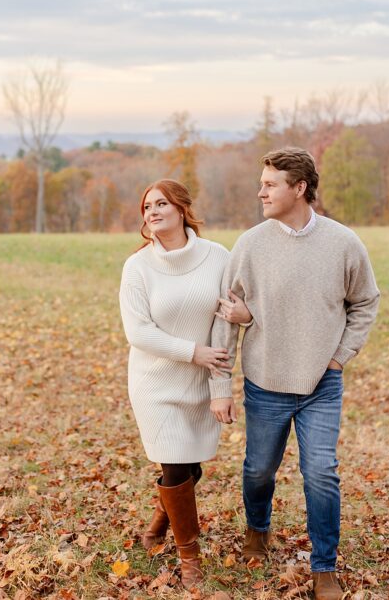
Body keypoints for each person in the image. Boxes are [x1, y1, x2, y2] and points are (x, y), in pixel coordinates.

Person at [209, 147, 379, 600]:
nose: (260, 191)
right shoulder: (250, 244)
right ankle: (257, 528)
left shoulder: (344, 243)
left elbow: (365, 302)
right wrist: (221, 386)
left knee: (321, 472)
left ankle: (324, 567)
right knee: (259, 470)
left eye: (270, 184)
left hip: (322, 384)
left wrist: (340, 356)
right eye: (262, 183)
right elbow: (226, 317)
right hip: (266, 382)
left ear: (299, 188)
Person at [118, 179, 249, 588]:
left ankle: (158, 525)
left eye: (161, 204)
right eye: (147, 206)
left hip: (200, 380)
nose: (152, 211)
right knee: (175, 461)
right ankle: (190, 557)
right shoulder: (137, 267)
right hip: (154, 382)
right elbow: (138, 332)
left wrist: (219, 386)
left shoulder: (217, 257)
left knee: (191, 465)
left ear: (181, 209)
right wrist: (194, 351)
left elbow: (226, 324)